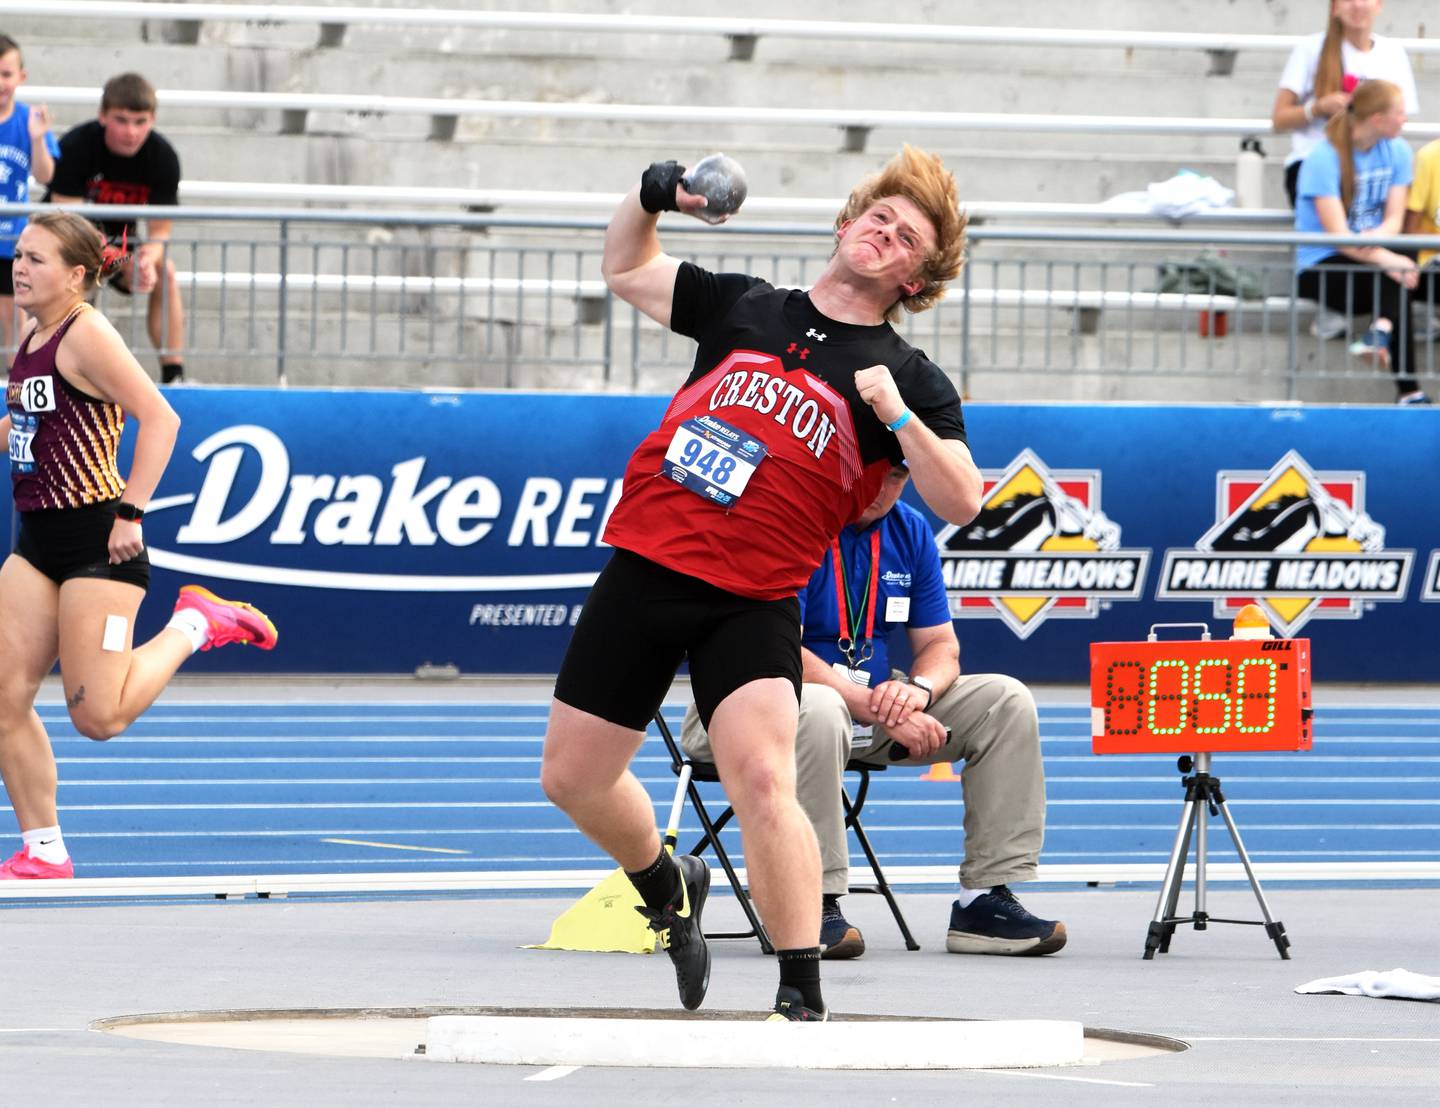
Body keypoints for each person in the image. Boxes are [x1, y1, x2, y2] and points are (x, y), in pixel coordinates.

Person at [540, 146, 981, 1021]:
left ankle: (800, 990)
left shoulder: (912, 378)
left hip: (752, 597)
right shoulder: (743, 305)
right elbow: (626, 265)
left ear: (918, 281)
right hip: (649, 563)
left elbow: (961, 498)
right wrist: (650, 194)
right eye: (879, 219)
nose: (884, 236)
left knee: (762, 780)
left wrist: (894, 414)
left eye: (907, 240)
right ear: (847, 222)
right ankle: (670, 885)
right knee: (572, 779)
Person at [681, 463, 1063, 961]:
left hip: (870, 707)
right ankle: (807, 904)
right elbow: (769, 645)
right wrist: (867, 703)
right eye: (874, 473)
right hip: (751, 706)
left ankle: (983, 901)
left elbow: (940, 645)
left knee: (1005, 700)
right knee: (819, 707)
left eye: (899, 477)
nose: (883, 490)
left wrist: (917, 694)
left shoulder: (909, 529)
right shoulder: (790, 517)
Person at [0, 210, 277, 881]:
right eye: (18, 255)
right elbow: (30, 426)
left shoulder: (87, 332)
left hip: (100, 541)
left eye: (35, 259)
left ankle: (194, 622)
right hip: (36, 540)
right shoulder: (31, 329)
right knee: (5, 699)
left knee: (100, 718)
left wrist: (133, 512)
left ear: (75, 276)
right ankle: (45, 851)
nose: (19, 267)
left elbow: (162, 416)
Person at [1294, 79, 1432, 405]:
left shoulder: (1397, 150)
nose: (1405, 119)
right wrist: (1387, 258)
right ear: (1377, 119)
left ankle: (1381, 331)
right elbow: (1339, 237)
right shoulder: (1322, 159)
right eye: (1399, 113)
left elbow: (1396, 220)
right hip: (1324, 266)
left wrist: (1382, 245)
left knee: (1403, 256)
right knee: (1395, 270)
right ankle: (1408, 389)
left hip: (1373, 253)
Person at [45, 72, 186, 384]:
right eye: (122, 120)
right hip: (69, 244)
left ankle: (174, 373)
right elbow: (67, 220)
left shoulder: (162, 156)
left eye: (141, 121)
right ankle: (58, 374)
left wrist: (147, 260)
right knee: (74, 282)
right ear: (103, 116)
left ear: (152, 120)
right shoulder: (78, 145)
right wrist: (116, 258)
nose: (131, 132)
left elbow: (160, 232)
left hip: (122, 244)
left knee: (167, 271)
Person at [1272, 0, 1418, 209]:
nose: (1358, 5)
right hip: (1319, 165)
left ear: (1379, 4)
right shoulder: (1310, 49)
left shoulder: (1392, 52)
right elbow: (1279, 118)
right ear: (1335, 7)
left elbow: (1401, 117)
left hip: (1375, 169)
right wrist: (1317, 108)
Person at [0, 34, 58, 357]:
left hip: (12, 240)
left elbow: (45, 175)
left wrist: (37, 140)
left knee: (13, 316)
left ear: (21, 77)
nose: (0, 83)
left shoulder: (28, 120)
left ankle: (14, 378)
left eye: (6, 74)